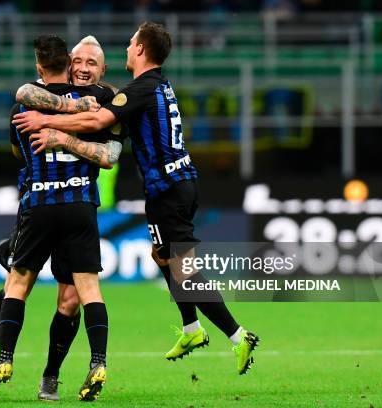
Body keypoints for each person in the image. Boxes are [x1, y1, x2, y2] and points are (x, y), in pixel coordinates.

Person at [13, 22, 260, 375]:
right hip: (174, 185)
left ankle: (239, 336)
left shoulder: (140, 89)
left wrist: (48, 124)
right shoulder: (155, 85)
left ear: (141, 50)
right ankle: (191, 328)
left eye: (131, 43)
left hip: (169, 188)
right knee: (161, 254)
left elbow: (97, 119)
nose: (127, 47)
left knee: (184, 272)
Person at [0, 35, 121, 402]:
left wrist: (60, 134)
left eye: (91, 64)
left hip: (66, 202)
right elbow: (26, 102)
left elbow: (112, 152)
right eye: (78, 61)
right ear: (68, 62)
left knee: (67, 300)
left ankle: (49, 376)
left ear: (101, 71)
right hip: (44, 202)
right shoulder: (78, 102)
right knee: (17, 283)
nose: (83, 68)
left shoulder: (105, 103)